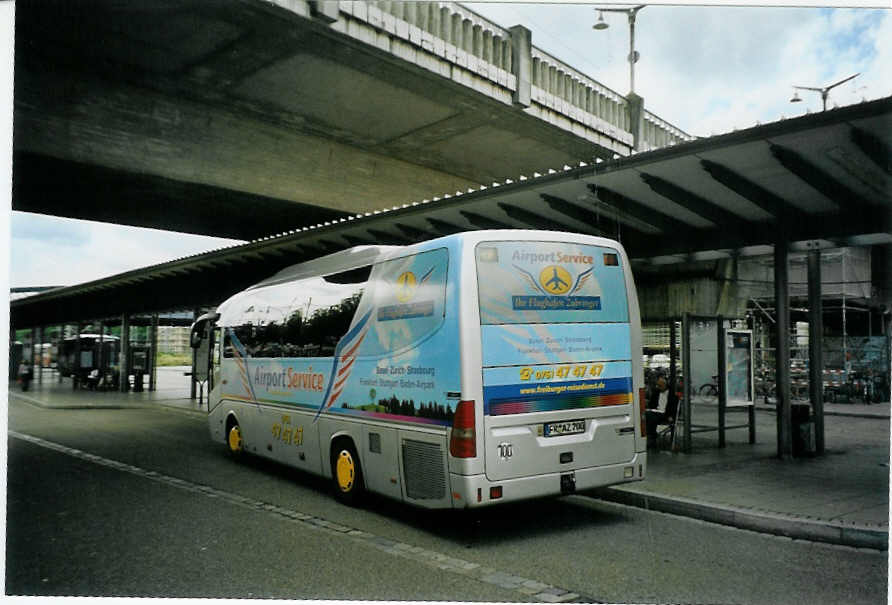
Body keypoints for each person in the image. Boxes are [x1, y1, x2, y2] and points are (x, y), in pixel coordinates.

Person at [646, 375, 674, 448]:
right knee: (647, 415)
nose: (659, 387)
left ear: (665, 385)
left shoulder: (671, 393)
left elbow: (674, 407)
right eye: (658, 385)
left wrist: (671, 416)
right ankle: (651, 436)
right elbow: (651, 404)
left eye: (661, 386)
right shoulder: (656, 392)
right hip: (656, 412)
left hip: (666, 414)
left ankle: (652, 437)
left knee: (650, 416)